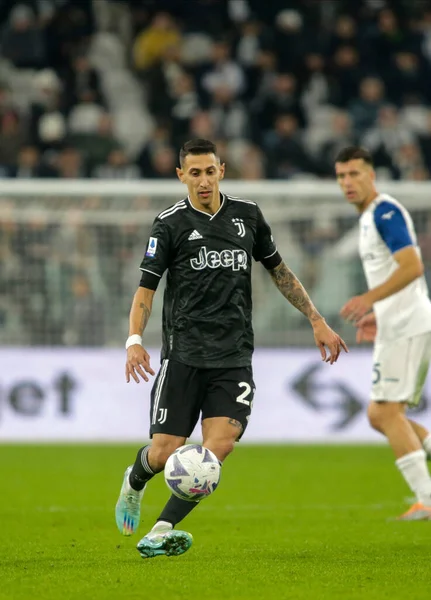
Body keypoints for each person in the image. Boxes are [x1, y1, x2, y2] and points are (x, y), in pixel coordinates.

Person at [116, 138, 348, 559]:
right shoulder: (168, 224)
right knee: (165, 450)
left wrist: (316, 319)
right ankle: (134, 481)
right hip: (183, 353)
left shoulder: (248, 216)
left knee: (218, 447)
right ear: (181, 175)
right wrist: (134, 341)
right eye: (194, 173)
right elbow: (145, 291)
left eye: (210, 171)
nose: (203, 181)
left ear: (221, 170)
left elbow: (280, 271)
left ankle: (160, 530)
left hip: (234, 355)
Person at [336, 146, 431, 521]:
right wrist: (379, 312)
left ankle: (426, 499)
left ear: (371, 175)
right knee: (382, 415)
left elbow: (412, 266)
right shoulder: (366, 219)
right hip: (398, 323)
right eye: (341, 176)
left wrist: (369, 298)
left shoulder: (385, 212)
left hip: (409, 325)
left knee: (385, 412)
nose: (347, 182)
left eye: (354, 174)